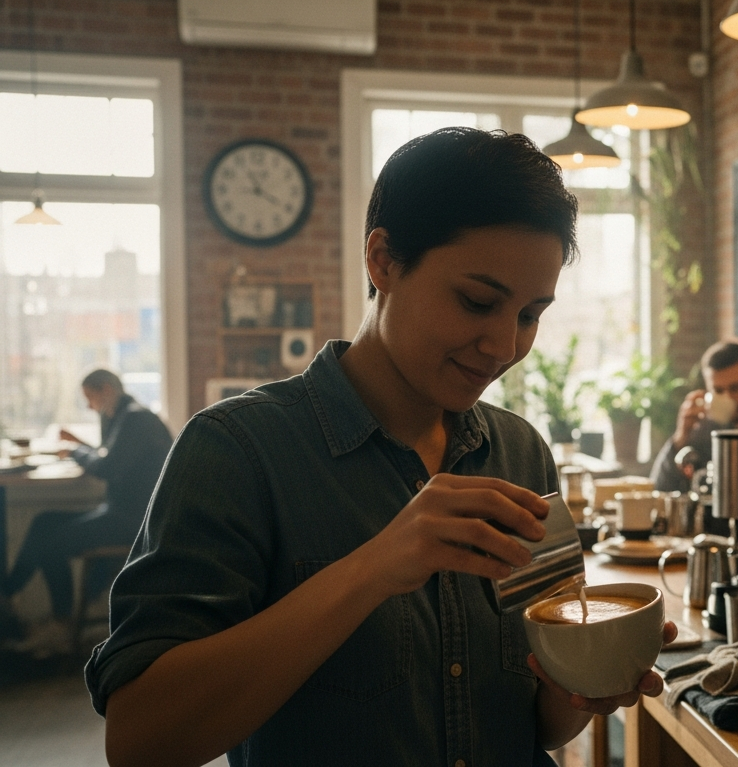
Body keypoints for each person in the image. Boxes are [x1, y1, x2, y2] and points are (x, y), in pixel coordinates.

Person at [85, 128, 674, 767]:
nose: (505, 346)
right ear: (383, 260)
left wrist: (587, 680)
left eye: (530, 315)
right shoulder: (236, 451)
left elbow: (542, 724)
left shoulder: (520, 453)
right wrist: (375, 566)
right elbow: (139, 739)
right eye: (478, 301)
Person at [0, 369, 172, 656]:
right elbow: (111, 455)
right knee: (44, 521)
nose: (90, 407)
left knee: (51, 543)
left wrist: (73, 449)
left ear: (105, 389)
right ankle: (9, 592)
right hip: (120, 512)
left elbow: (108, 467)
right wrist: (82, 443)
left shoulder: (135, 417)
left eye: (90, 399)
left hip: (133, 521)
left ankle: (60, 622)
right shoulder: (121, 416)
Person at [650, 341, 738, 493]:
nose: (729, 398)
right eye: (718, 391)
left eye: (736, 388)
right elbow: (659, 490)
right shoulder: (703, 430)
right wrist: (681, 436)